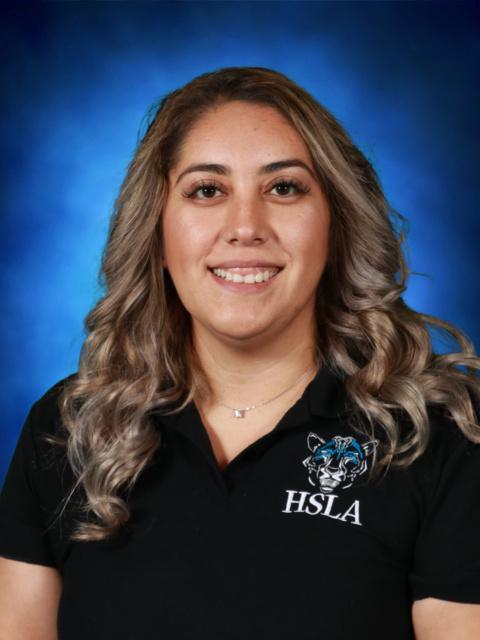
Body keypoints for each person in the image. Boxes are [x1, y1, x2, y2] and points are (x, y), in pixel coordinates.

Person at [0, 66, 479, 640]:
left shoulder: (441, 435)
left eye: (284, 188)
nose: (245, 227)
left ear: (336, 226)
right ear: (156, 231)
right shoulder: (68, 429)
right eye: (207, 190)